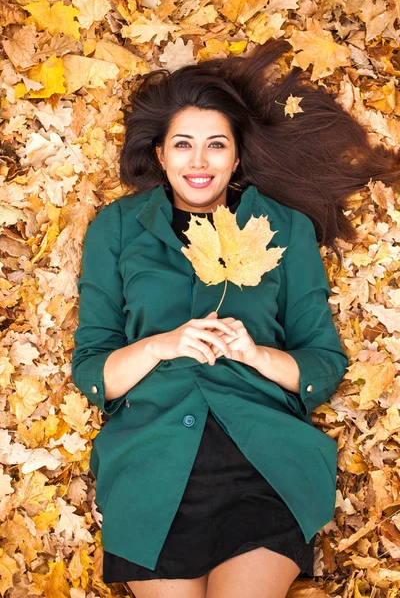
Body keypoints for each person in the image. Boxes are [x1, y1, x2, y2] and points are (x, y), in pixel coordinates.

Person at [71, 39, 400, 598]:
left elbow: (323, 364)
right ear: (160, 155)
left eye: (215, 146)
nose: (199, 163)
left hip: (263, 456)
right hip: (154, 463)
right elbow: (92, 370)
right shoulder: (118, 227)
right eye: (183, 145)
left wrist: (256, 355)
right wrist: (161, 345)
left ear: (237, 156)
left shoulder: (284, 229)